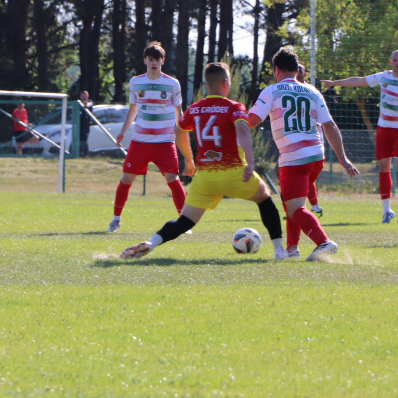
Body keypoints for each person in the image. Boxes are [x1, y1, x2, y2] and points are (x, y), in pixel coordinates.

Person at [120, 62, 288, 260]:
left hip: (205, 177)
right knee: (265, 199)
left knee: (185, 220)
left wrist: (189, 160)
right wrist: (250, 163)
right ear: (226, 83)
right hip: (233, 171)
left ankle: (152, 242)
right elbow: (242, 129)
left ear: (207, 84)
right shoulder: (233, 107)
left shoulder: (195, 109)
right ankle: (279, 251)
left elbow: (179, 130)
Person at [247, 47, 360, 261]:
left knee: (295, 208)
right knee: (295, 204)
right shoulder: (312, 91)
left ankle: (324, 242)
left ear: (276, 70)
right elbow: (330, 126)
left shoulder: (271, 91)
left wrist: (234, 124)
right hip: (316, 156)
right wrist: (343, 159)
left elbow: (253, 120)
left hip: (294, 159)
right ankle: (292, 250)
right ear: (296, 70)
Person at [321, 49, 398, 224]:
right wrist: (335, 82)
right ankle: (387, 210)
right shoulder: (383, 77)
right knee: (383, 167)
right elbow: (358, 80)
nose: (397, 62)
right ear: (390, 61)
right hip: (384, 129)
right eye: (395, 60)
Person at [109, 41, 195, 232]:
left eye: (157, 59)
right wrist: (123, 131)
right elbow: (133, 109)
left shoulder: (172, 84)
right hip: (140, 141)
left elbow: (178, 114)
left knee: (173, 179)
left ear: (162, 61)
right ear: (145, 61)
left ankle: (184, 223)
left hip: (165, 142)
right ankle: (115, 219)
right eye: (150, 59)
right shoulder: (135, 82)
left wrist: (182, 132)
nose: (153, 62)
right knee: (126, 180)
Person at [296, 63, 324, 217]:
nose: (298, 73)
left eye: (301, 70)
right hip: (295, 139)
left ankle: (304, 207)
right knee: (301, 174)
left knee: (304, 173)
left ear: (305, 74)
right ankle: (311, 207)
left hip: (312, 137)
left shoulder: (312, 91)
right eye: (296, 70)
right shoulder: (288, 90)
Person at [78, 90, 94, 155]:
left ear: (87, 96)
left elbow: (88, 105)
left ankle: (84, 153)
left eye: (85, 96)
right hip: (78, 124)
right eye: (82, 96)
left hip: (86, 125)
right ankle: (78, 153)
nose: (84, 98)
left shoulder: (90, 102)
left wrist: (85, 104)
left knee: (84, 139)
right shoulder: (78, 104)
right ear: (80, 96)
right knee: (78, 139)